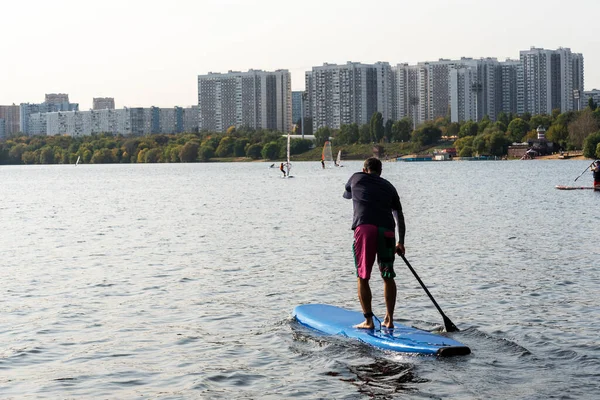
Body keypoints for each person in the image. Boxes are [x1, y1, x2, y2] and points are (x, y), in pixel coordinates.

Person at [343, 157, 405, 330]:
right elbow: (399, 215)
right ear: (381, 172)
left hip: (366, 230)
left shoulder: (356, 177)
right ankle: (389, 319)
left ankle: (369, 321)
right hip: (387, 231)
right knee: (388, 276)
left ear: (364, 169)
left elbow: (347, 193)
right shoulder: (389, 186)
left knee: (363, 276)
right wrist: (401, 242)